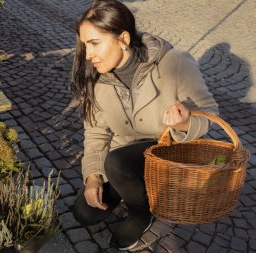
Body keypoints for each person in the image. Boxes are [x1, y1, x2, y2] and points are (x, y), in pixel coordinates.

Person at [70, 0, 218, 251]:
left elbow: (209, 115)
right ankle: (134, 186)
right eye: (85, 44)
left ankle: (141, 212)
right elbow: (96, 130)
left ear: (123, 38)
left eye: (94, 43)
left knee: (117, 162)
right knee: (85, 213)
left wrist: (184, 124)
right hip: (122, 156)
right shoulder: (95, 75)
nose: (88, 53)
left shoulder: (175, 62)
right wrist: (93, 175)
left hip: (166, 150)